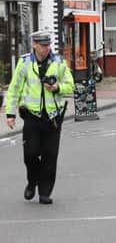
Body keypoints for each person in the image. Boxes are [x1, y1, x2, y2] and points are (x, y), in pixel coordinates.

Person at [4, 30, 74, 205]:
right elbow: (14, 88)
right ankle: (32, 181)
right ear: (34, 44)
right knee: (31, 154)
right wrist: (10, 113)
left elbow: (71, 85)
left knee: (50, 156)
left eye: (48, 45)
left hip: (53, 118)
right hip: (32, 116)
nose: (46, 48)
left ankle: (45, 192)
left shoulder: (58, 62)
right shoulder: (25, 62)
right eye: (43, 45)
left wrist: (58, 87)